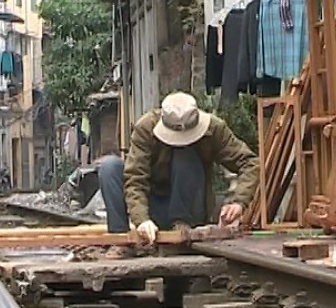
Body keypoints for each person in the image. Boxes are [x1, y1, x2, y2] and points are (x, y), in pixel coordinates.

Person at [99, 91, 259, 243]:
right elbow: (135, 179)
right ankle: (120, 241)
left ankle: (181, 227)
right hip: (155, 205)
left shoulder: (215, 129)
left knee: (185, 155)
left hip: (190, 207)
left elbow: (251, 163)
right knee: (109, 168)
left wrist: (239, 202)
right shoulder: (146, 129)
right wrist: (142, 220)